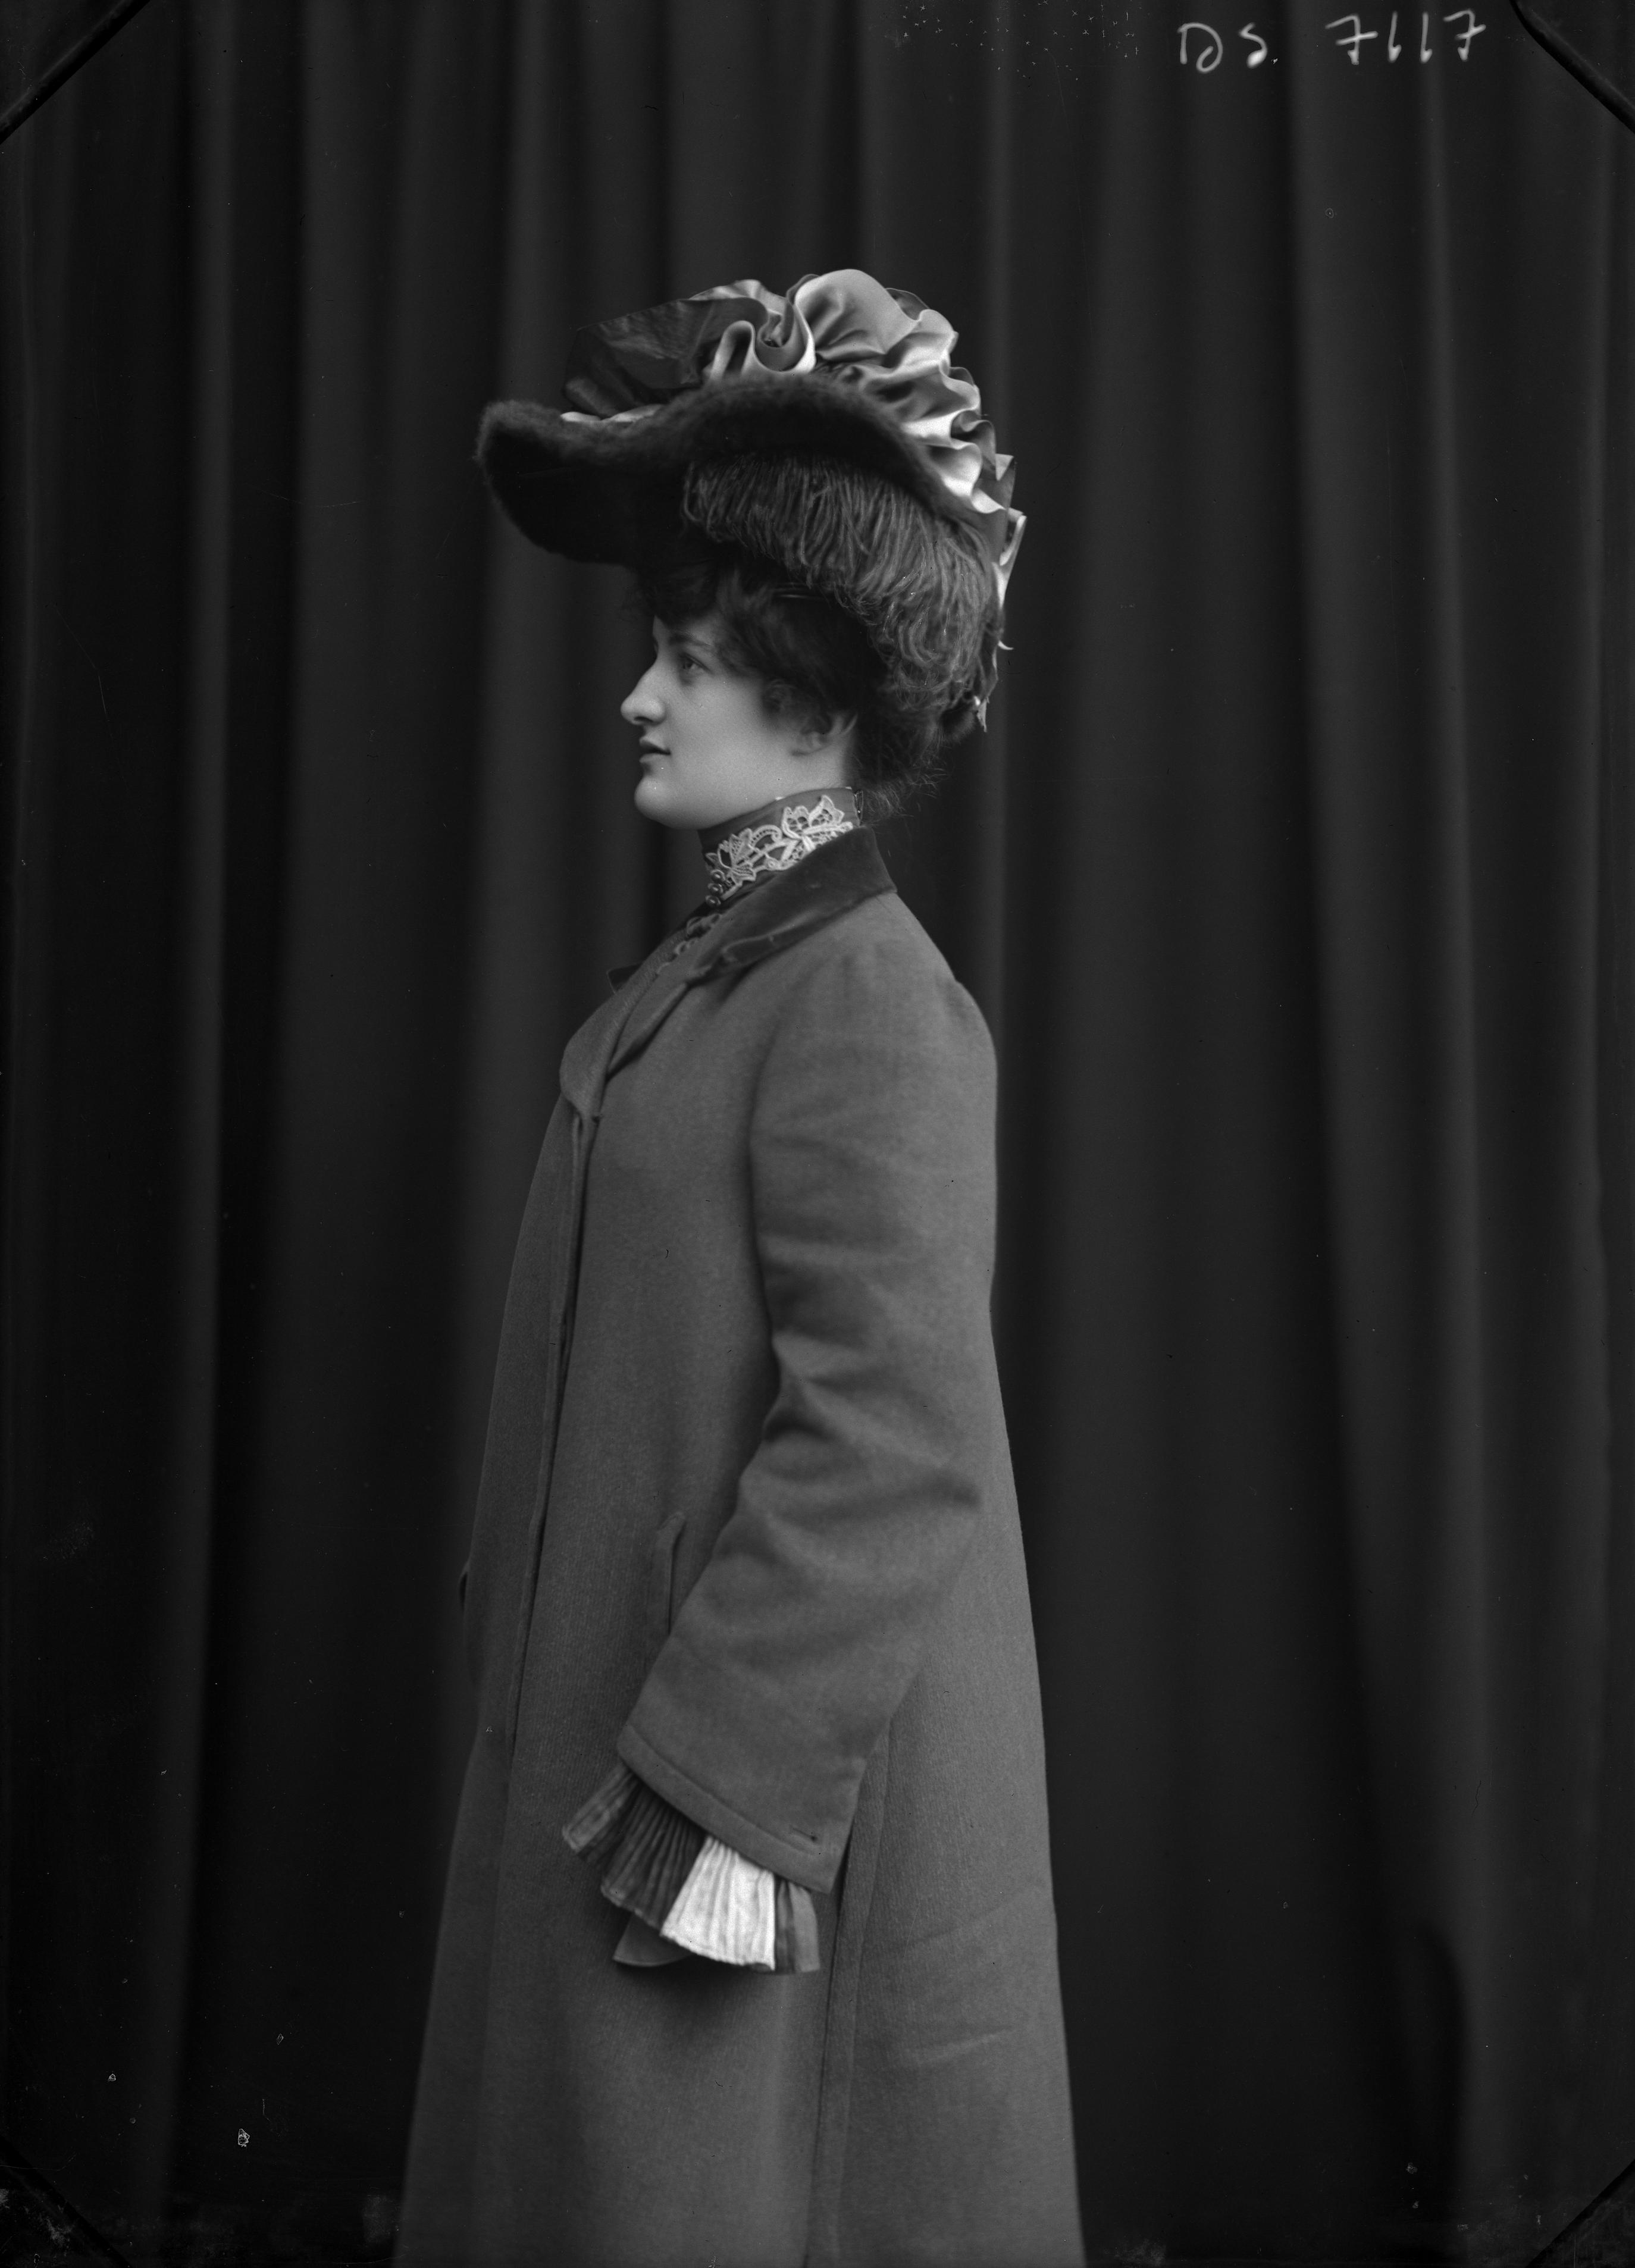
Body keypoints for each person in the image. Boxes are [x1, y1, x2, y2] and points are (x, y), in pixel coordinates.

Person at [397, 270, 1082, 2267]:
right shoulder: (717, 974)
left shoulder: (867, 998)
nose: (640, 696)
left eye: (686, 659)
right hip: (626, 1731)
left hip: (749, 1796)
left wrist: (716, 1785)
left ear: (811, 697)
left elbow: (895, 1438)